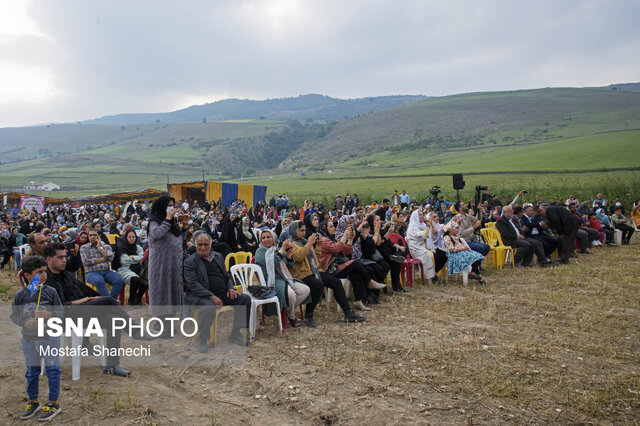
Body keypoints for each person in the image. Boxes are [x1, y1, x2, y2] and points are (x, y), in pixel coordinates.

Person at [44, 243, 148, 377]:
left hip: (80, 314)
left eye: (65, 257)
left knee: (114, 320)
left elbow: (84, 290)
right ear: (48, 260)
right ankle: (136, 331)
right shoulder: (45, 279)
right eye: (60, 257)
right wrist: (81, 301)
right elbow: (54, 307)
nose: (64, 260)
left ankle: (112, 365)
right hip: (63, 319)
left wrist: (94, 299)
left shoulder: (66, 275)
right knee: (109, 300)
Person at [10, 255, 63, 421]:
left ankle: (53, 402)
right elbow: (14, 316)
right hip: (29, 339)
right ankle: (33, 401)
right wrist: (25, 324)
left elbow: (61, 313)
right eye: (39, 272)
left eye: (44, 271)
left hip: (49, 337)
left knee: (52, 369)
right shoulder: (21, 295)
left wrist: (50, 315)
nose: (43, 275)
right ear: (27, 275)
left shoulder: (50, 292)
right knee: (32, 370)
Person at [288, 220, 365, 327]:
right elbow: (299, 257)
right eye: (301, 231)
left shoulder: (304, 241)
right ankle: (308, 316)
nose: (304, 233)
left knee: (336, 282)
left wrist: (318, 247)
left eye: (304, 230)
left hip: (313, 272)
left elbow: (315, 259)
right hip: (301, 274)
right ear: (294, 231)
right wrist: (310, 243)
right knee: (318, 285)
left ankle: (348, 313)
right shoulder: (291, 244)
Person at [183, 232, 251, 352]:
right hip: (201, 295)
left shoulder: (217, 256)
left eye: (206, 244)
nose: (203, 248)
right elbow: (193, 285)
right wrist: (211, 296)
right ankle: (202, 339)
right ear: (195, 244)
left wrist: (230, 287)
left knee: (244, 299)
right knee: (208, 307)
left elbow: (226, 275)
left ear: (210, 244)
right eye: (199, 245)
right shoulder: (190, 261)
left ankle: (235, 333)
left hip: (222, 293)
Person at [317, 220, 385, 311]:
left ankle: (358, 301)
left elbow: (347, 251)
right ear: (324, 228)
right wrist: (345, 236)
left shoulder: (331, 238)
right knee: (355, 263)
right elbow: (336, 249)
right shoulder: (323, 240)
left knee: (357, 273)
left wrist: (351, 239)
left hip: (337, 265)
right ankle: (369, 282)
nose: (334, 228)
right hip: (329, 269)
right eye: (331, 227)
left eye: (333, 226)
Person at [254, 229, 310, 327]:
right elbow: (273, 261)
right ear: (260, 240)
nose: (266, 239)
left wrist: (288, 255)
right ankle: (292, 316)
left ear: (273, 238)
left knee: (305, 290)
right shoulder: (260, 251)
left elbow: (287, 266)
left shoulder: (275, 249)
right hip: (270, 282)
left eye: (268, 237)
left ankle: (286, 311)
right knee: (291, 295)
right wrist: (282, 250)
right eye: (263, 238)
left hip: (285, 279)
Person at [147, 196, 185, 319]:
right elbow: (157, 234)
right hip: (161, 265)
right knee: (162, 292)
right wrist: (168, 219)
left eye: (172, 205)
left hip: (173, 263)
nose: (171, 208)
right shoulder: (154, 221)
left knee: (172, 292)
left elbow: (179, 238)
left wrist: (184, 227)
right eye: (168, 205)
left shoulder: (172, 222)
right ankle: (160, 323)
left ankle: (170, 321)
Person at [79, 228, 123, 298]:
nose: (92, 237)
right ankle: (110, 303)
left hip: (106, 271)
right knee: (99, 281)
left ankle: (110, 302)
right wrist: (102, 259)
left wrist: (100, 248)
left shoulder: (106, 246)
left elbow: (110, 258)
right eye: (90, 235)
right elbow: (86, 262)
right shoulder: (84, 248)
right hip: (92, 272)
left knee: (119, 280)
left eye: (94, 235)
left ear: (98, 236)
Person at [115, 229, 147, 305]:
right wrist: (137, 258)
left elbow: (142, 258)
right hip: (124, 269)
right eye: (130, 237)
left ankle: (138, 297)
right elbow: (124, 260)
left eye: (133, 237)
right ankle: (131, 299)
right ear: (126, 237)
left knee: (146, 278)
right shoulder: (122, 247)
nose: (132, 239)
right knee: (135, 279)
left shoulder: (138, 247)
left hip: (137, 268)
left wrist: (133, 257)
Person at [404, 209, 436, 281]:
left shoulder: (422, 225)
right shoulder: (412, 227)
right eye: (420, 215)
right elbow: (421, 235)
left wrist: (428, 224)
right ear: (415, 217)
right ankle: (431, 277)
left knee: (437, 253)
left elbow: (431, 234)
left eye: (422, 214)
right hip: (416, 249)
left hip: (422, 247)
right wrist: (427, 228)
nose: (422, 216)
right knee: (429, 254)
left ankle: (433, 274)